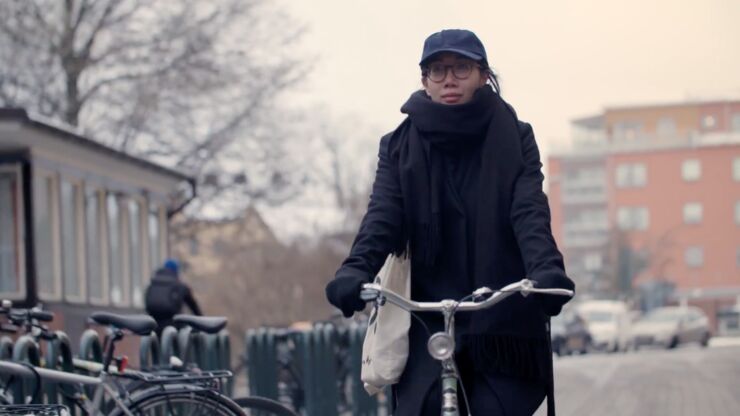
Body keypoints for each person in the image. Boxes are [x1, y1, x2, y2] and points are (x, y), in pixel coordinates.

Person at [325, 29, 575, 416]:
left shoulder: (516, 136)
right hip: (428, 312)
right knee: (421, 407)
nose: (449, 79)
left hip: (500, 309)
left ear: (482, 75)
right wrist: (355, 269)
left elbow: (528, 211)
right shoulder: (398, 145)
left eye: (461, 68)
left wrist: (546, 271)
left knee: (497, 408)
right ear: (424, 79)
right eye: (437, 70)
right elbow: (383, 215)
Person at [144, 259, 202, 333]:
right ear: (176, 271)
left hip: (154, 324)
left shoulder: (152, 284)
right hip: (173, 324)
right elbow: (193, 304)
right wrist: (200, 319)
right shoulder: (180, 286)